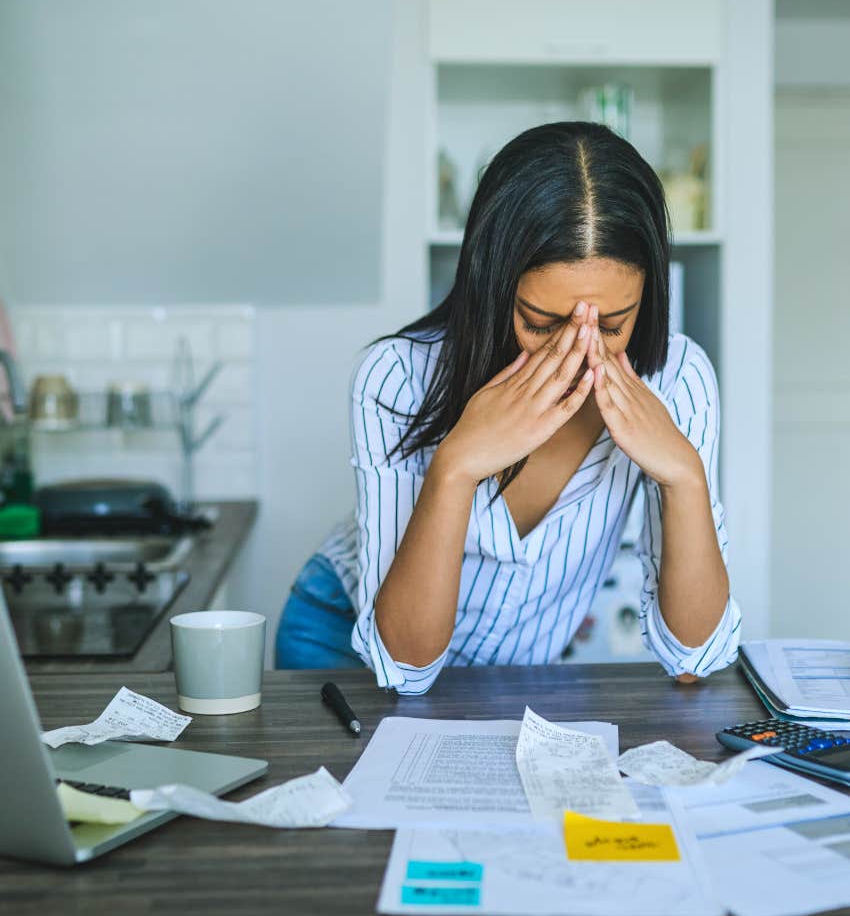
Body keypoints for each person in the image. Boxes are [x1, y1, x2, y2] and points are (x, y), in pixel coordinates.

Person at [276, 121, 741, 694]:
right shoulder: (396, 378)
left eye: (613, 326)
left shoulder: (679, 379)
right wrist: (456, 467)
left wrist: (685, 477)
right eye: (541, 323)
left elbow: (695, 658)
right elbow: (402, 666)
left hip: (511, 677)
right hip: (339, 641)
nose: (577, 349)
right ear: (491, 285)